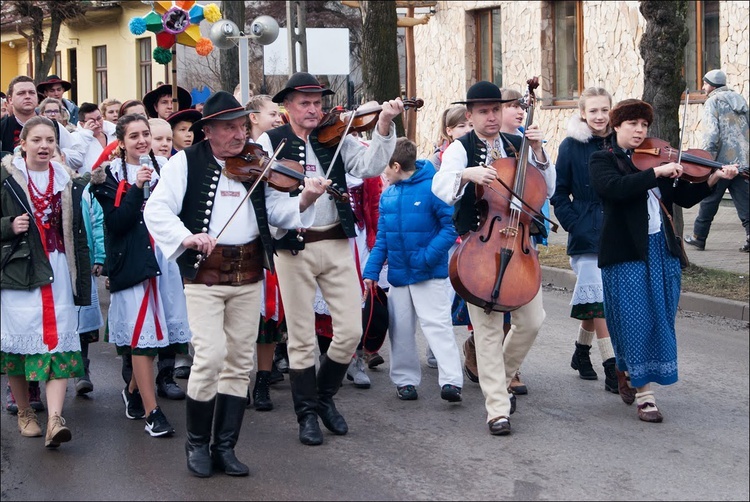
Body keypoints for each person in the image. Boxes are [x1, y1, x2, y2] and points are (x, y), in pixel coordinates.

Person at [143, 90, 329, 476]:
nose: (239, 134)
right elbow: (156, 209)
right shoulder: (184, 163)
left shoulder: (257, 164)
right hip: (205, 275)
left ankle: (224, 447)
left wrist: (306, 199)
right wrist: (187, 237)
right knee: (209, 356)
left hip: (248, 273)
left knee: (239, 363)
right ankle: (196, 445)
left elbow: (277, 212)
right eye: (229, 127)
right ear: (208, 130)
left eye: (243, 126)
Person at [254, 72, 403, 446]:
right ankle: (306, 414)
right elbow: (272, 207)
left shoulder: (336, 135)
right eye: (305, 103)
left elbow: (370, 166)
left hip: (336, 241)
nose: (313, 109)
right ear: (286, 106)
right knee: (302, 337)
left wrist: (384, 126)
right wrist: (304, 199)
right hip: (294, 245)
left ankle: (322, 398)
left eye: (318, 103)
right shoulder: (269, 142)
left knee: (351, 330)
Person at [589, 98, 738, 422]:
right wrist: (656, 172)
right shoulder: (603, 159)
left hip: (661, 249)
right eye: (633, 125)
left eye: (644, 125)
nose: (640, 130)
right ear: (617, 127)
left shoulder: (658, 157)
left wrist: (716, 178)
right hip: (626, 252)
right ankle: (646, 396)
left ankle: (625, 370)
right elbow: (614, 189)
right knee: (633, 319)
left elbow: (684, 196)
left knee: (660, 318)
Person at [431, 81, 555, 436]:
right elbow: (441, 188)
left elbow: (549, 186)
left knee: (532, 319)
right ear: (470, 115)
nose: (491, 117)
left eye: (496, 110)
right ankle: (497, 409)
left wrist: (538, 153)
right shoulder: (460, 148)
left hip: (519, 245)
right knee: (486, 331)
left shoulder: (518, 145)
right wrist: (466, 174)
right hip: (479, 248)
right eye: (483, 112)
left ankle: (497, 377)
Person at [90, 114, 191, 438]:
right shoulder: (108, 177)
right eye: (133, 135)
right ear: (121, 141)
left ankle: (134, 391)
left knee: (156, 333)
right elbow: (117, 223)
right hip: (132, 261)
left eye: (145, 134)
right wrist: (136, 188)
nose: (142, 141)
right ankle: (153, 412)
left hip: (163, 259)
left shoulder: (166, 168)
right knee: (142, 336)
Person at [1, 116, 92, 447]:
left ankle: (55, 419)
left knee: (57, 342)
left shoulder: (66, 181)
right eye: (36, 140)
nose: (43, 146)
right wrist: (8, 225)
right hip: (19, 272)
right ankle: (25, 411)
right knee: (18, 342)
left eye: (50, 140)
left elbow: (78, 234)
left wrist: (83, 275)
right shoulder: (6, 178)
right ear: (22, 143)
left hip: (57, 268)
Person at [363, 137, 463, 402]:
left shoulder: (434, 188)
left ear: (396, 166)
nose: (382, 173)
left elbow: (450, 227)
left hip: (428, 273)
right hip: (399, 276)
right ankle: (405, 380)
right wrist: (371, 272)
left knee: (438, 325)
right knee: (401, 329)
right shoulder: (389, 196)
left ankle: (452, 381)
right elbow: (382, 237)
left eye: (384, 167)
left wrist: (427, 257)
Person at [550, 87, 620, 393]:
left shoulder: (620, 142)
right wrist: (575, 224)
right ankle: (612, 366)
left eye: (604, 110)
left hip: (617, 229)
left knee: (599, 297)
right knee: (599, 298)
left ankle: (581, 352)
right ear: (582, 113)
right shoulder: (570, 145)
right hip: (585, 231)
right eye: (593, 110)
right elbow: (559, 193)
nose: (600, 116)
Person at [245, 94, 286, 410]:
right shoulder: (241, 152)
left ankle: (262, 381)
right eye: (272, 113)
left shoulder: (282, 147)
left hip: (272, 239)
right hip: (244, 239)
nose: (278, 118)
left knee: (269, 317)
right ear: (254, 117)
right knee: (245, 316)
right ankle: (239, 381)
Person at [683, 69, 750, 253]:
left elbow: (711, 135)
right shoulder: (740, 99)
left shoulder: (713, 101)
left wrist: (706, 160)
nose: (703, 87)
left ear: (712, 85)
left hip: (721, 163)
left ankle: (698, 237)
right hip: (741, 162)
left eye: (705, 83)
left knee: (709, 199)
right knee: (745, 202)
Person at [73, 102, 117, 174]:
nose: (97, 123)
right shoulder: (75, 138)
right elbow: (74, 162)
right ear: (82, 124)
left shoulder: (114, 133)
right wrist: (86, 134)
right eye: (92, 121)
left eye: (99, 118)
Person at [430, 104, 472, 170]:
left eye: (471, 125)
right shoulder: (438, 159)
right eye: (461, 126)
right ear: (449, 131)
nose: (468, 130)